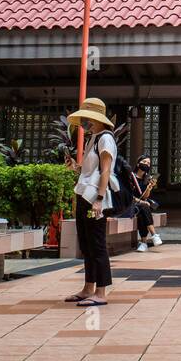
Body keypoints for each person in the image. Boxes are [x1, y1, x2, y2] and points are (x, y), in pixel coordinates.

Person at [64, 96, 118, 307]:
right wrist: (75, 166)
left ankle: (101, 292)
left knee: (97, 245)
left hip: (96, 198)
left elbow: (106, 170)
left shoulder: (106, 139)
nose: (83, 124)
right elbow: (89, 170)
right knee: (86, 244)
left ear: (96, 119)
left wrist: (100, 199)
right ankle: (88, 288)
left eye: (86, 119)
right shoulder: (92, 139)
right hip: (84, 195)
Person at [130, 155, 162, 252]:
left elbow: (145, 197)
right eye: (144, 162)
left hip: (141, 205)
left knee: (142, 211)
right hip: (130, 203)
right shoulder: (130, 177)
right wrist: (141, 201)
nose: (146, 164)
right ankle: (153, 235)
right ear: (138, 163)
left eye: (148, 163)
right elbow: (127, 195)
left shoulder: (147, 178)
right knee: (143, 207)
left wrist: (149, 188)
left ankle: (144, 243)